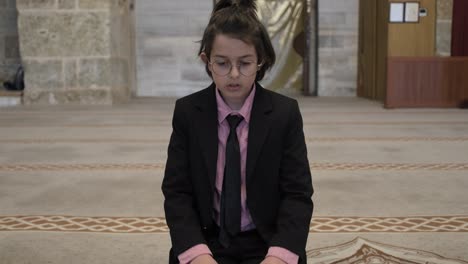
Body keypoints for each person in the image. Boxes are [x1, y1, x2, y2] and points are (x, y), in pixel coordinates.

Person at [162, 0, 314, 263]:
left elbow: (297, 195)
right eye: (222, 63)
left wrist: (279, 255)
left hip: (267, 241)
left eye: (244, 63)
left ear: (260, 61)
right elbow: (177, 192)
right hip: (206, 241)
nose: (233, 74)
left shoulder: (284, 114)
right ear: (206, 61)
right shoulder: (188, 112)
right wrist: (197, 253)